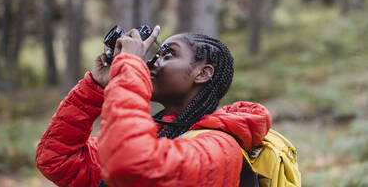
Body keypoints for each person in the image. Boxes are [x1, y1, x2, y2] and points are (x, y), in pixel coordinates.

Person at [35, 26, 272, 187]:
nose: (151, 62)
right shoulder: (161, 133)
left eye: (168, 54)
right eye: (154, 55)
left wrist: (129, 66)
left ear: (202, 73)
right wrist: (96, 86)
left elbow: (129, 163)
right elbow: (58, 160)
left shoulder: (220, 147)